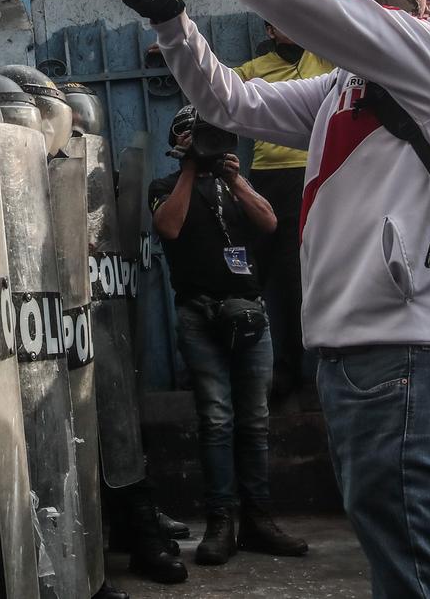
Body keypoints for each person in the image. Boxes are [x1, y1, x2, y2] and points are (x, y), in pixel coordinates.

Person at [120, 0, 430, 599]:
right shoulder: (341, 92)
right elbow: (230, 102)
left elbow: (311, 5)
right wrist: (171, 20)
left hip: (414, 347)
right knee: (416, 566)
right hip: (359, 356)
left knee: (425, 574)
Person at [148, 105, 308, 565]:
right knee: (217, 420)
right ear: (178, 143)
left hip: (250, 314)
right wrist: (189, 171)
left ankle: (259, 520)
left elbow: (271, 222)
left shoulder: (236, 186)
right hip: (199, 315)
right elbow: (169, 227)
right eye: (196, 139)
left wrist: (234, 179)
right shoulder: (165, 188)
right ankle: (222, 522)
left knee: (255, 421)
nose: (206, 146)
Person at [231, 24, 332, 402]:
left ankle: (301, 372)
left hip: (310, 174)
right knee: (260, 272)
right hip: (267, 178)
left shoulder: (323, 58)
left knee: (297, 275)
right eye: (277, 21)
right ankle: (271, 370)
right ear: (271, 31)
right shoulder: (257, 67)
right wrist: (174, 50)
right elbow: (217, 87)